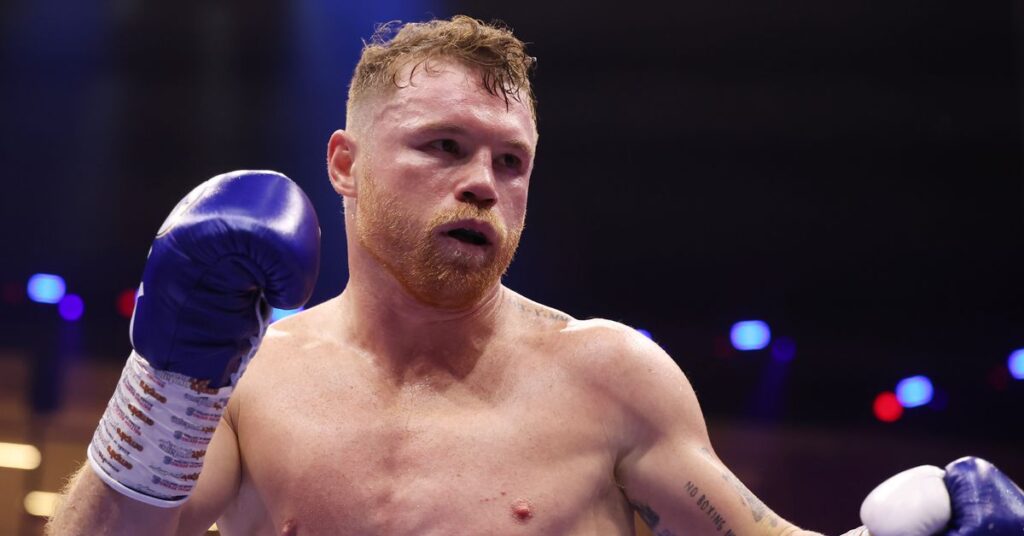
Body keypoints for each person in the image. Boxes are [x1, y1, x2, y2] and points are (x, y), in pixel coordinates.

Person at [48, 15, 1023, 536]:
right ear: (344, 163)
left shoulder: (607, 375)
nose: (483, 181)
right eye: (444, 145)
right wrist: (166, 382)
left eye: (510, 160)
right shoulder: (249, 379)